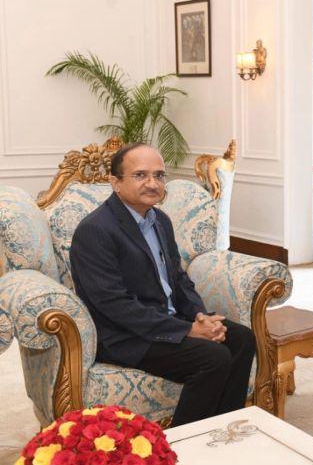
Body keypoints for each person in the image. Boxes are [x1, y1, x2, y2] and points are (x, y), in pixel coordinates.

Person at [70, 143, 256, 427]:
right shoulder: (95, 230)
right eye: (140, 175)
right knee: (213, 357)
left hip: (166, 320)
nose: (152, 183)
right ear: (115, 182)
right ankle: (182, 441)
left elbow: (178, 279)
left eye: (159, 175)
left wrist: (200, 316)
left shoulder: (160, 221)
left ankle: (222, 426)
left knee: (242, 338)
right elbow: (114, 305)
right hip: (126, 336)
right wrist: (187, 330)